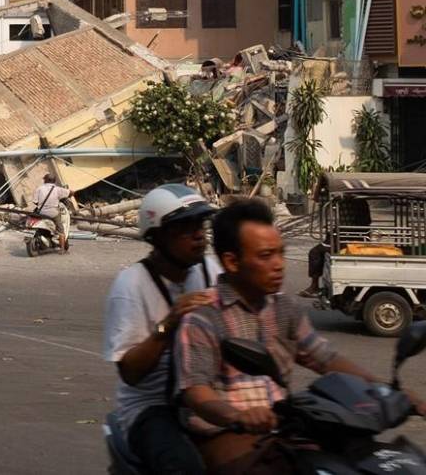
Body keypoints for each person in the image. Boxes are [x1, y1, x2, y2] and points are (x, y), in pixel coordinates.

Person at [174, 199, 423, 474]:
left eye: (281, 253)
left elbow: (325, 359)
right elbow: (197, 392)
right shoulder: (204, 317)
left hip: (284, 429)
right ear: (232, 261)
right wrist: (238, 415)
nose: (279, 264)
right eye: (266, 256)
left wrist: (388, 392)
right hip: (226, 436)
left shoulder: (284, 308)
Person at [102, 183, 219, 475]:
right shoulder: (131, 285)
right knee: (184, 467)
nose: (198, 235)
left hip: (207, 395)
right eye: (185, 228)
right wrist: (170, 322)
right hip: (152, 407)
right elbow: (130, 373)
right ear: (158, 237)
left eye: (200, 225)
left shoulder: (211, 270)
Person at [29, 171, 73, 253]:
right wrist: (70, 194)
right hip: (53, 213)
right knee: (61, 229)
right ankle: (62, 249)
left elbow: (35, 202)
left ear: (45, 180)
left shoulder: (39, 189)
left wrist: (42, 205)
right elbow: (71, 192)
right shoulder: (58, 189)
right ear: (54, 181)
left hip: (41, 213)